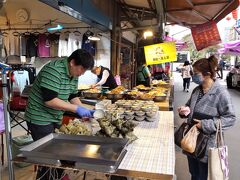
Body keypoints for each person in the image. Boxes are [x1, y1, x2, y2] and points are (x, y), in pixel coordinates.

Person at [25, 49, 95, 179]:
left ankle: (58, 175)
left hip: (55, 116)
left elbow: (73, 96)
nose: (82, 73)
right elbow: (50, 100)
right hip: (39, 117)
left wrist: (84, 109)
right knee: (49, 157)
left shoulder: (74, 74)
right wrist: (76, 109)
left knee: (58, 153)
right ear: (73, 62)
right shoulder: (54, 70)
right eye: (82, 69)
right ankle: (49, 176)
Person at [177, 55, 236, 180]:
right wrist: (184, 111)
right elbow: (189, 106)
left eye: (196, 73)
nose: (193, 76)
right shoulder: (196, 90)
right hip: (191, 139)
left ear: (208, 74)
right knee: (193, 173)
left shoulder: (221, 93)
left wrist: (205, 124)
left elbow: (230, 118)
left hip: (207, 143)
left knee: (202, 176)